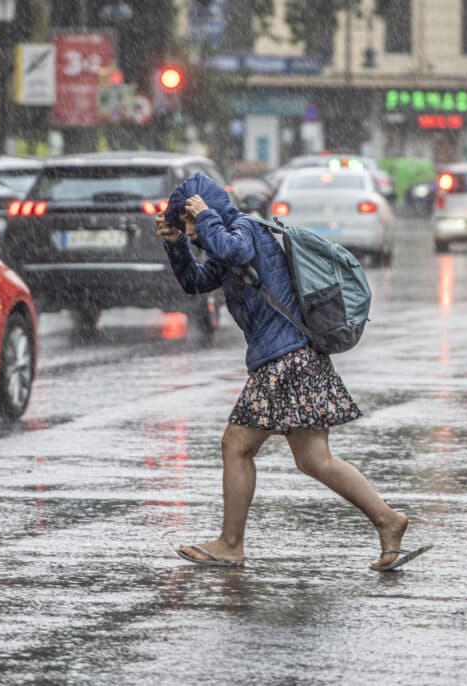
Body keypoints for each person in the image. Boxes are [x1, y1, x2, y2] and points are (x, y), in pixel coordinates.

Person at [155, 172, 431, 572]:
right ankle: (388, 520)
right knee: (315, 458)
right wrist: (177, 245)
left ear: (208, 208)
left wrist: (207, 218)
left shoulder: (245, 228)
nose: (194, 232)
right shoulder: (222, 236)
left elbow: (233, 252)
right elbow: (195, 282)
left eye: (191, 223)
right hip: (296, 357)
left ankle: (231, 544)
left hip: (284, 358)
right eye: (188, 226)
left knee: (236, 446)